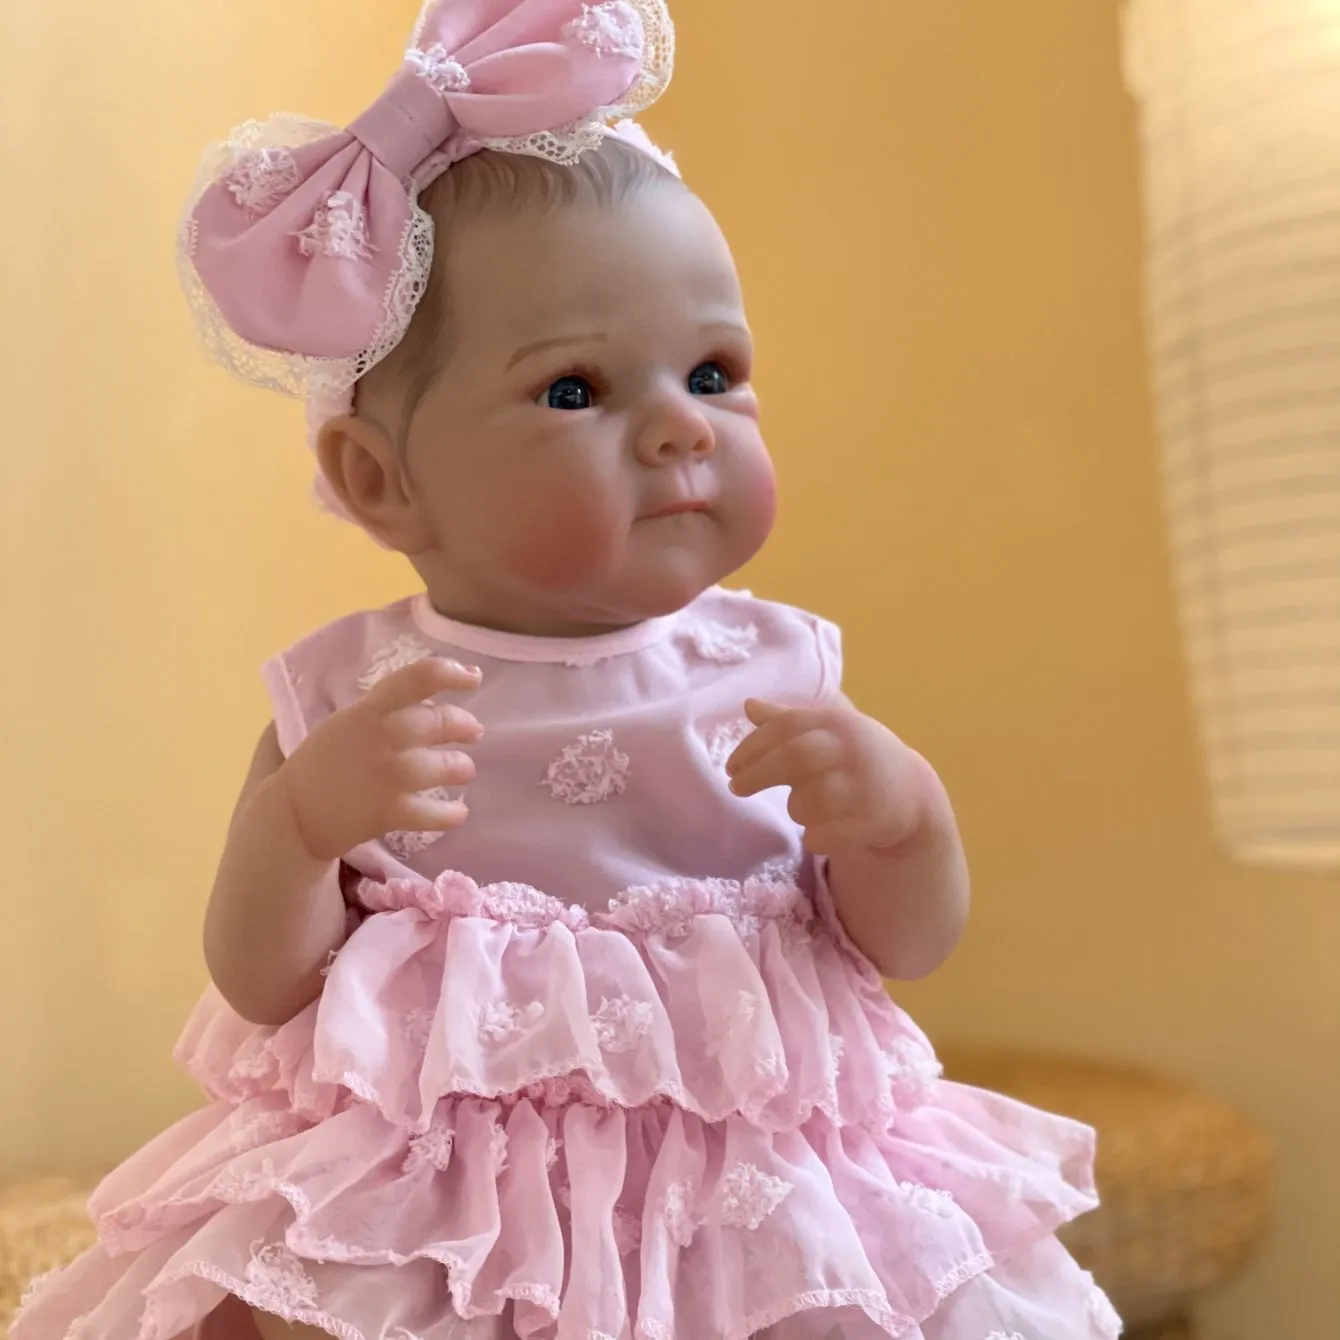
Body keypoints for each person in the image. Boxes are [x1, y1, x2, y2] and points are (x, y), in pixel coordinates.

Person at [14, 2, 1121, 1337]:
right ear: (380, 479)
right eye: (576, 391)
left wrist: (902, 819)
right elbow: (265, 985)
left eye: (712, 372)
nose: (679, 431)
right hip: (453, 1217)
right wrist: (302, 825)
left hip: (750, 1206)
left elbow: (908, 945)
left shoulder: (775, 668)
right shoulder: (360, 701)